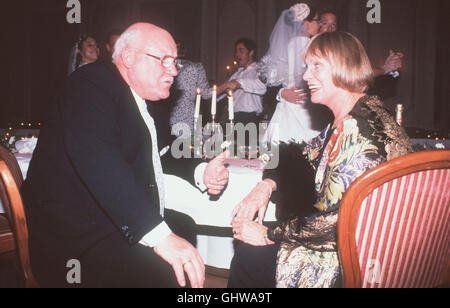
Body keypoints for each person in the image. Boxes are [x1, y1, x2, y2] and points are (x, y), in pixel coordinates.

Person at [22, 22, 230, 288]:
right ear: (129, 57)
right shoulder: (91, 83)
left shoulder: (144, 99)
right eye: (164, 60)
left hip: (109, 220)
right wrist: (159, 236)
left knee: (184, 225)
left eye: (175, 61)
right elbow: (98, 161)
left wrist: (202, 171)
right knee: (165, 260)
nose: (174, 70)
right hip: (76, 239)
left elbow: (164, 151)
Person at [228, 31, 412, 288]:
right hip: (373, 245)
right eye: (306, 66)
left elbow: (333, 222)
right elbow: (300, 156)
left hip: (353, 260)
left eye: (316, 66)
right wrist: (266, 185)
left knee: (249, 254)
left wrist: (269, 234)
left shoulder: (355, 129)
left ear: (343, 68)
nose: (305, 76)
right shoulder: (361, 113)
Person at [261, 3, 329, 145]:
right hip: (304, 104)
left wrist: (282, 92)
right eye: (317, 21)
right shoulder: (310, 47)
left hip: (286, 103)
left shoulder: (284, 47)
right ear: (305, 23)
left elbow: (270, 79)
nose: (320, 25)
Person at [318, 9, 403, 78]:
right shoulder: (308, 48)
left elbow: (359, 73)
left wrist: (387, 68)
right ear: (317, 24)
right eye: (325, 23)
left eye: (333, 24)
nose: (330, 28)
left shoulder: (342, 51)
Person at [217, 38, 267, 127]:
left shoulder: (259, 69)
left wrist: (238, 83)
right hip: (233, 117)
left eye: (241, 51)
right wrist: (211, 95)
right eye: (236, 51)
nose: (237, 54)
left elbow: (262, 87)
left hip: (249, 118)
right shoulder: (237, 73)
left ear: (251, 52)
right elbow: (222, 92)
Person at [169, 42, 213, 136]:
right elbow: (206, 94)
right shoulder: (195, 67)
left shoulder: (166, 67)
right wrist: (226, 85)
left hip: (171, 117)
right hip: (186, 118)